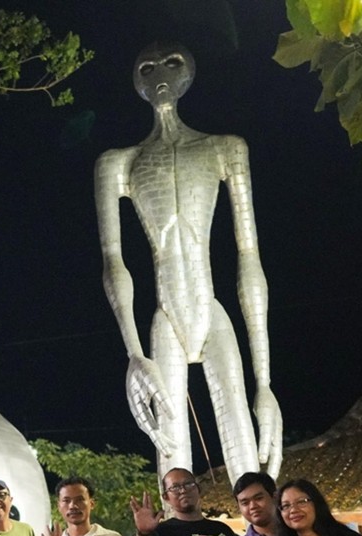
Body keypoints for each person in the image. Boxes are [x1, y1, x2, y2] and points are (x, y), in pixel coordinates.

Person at [94, 41, 281, 480]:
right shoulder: (118, 164)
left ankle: (261, 519)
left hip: (210, 310)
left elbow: (249, 257)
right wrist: (134, 353)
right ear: (136, 81)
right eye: (147, 67)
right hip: (166, 317)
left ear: (188, 73)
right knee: (171, 438)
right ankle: (174, 523)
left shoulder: (224, 149)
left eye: (171, 64)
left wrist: (265, 383)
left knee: (240, 426)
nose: (159, 74)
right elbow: (113, 260)